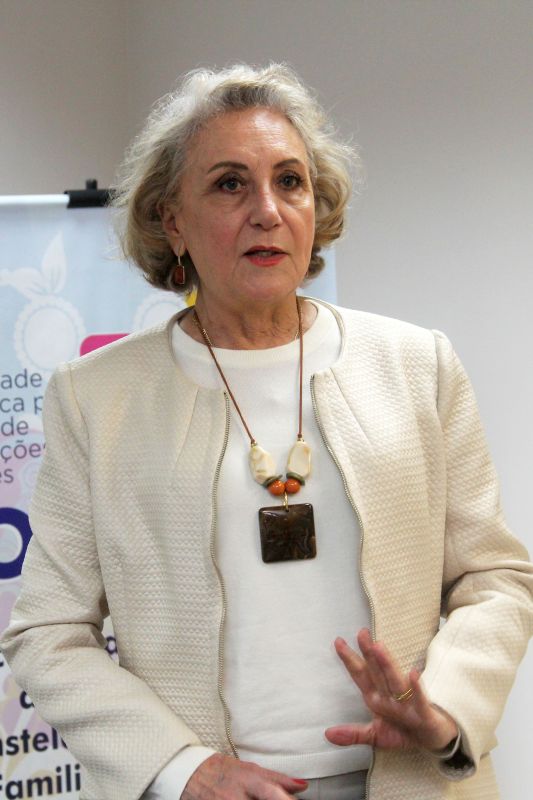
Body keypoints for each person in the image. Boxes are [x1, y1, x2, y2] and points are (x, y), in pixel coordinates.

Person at [1, 64, 532, 800]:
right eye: (229, 184)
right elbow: (46, 632)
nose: (267, 210)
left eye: (290, 181)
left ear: (317, 204)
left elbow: (494, 578)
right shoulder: (96, 396)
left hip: (413, 784)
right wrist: (181, 769)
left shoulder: (417, 364)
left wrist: (445, 706)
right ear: (171, 220)